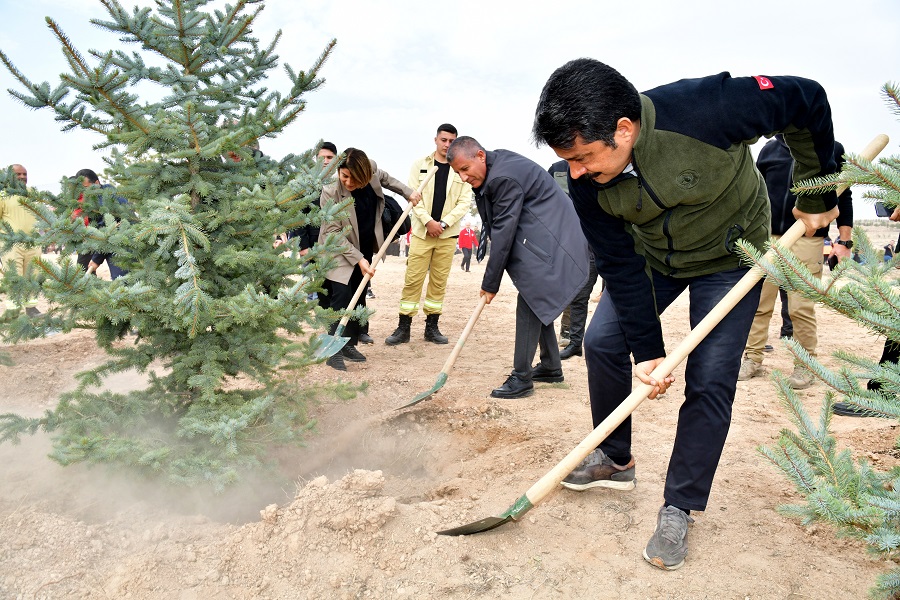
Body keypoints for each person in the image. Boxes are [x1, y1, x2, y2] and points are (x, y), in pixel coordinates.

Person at [532, 59, 839, 571]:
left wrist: (815, 191)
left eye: (583, 157)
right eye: (569, 160)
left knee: (711, 377)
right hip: (655, 259)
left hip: (732, 258)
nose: (576, 172)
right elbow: (619, 264)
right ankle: (615, 458)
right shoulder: (584, 181)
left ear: (623, 130)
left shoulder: (705, 110)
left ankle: (679, 505)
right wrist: (649, 352)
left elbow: (805, 99)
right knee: (603, 342)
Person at [447, 136, 590, 399]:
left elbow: (503, 231)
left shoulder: (503, 177)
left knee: (529, 302)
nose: (463, 177)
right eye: (458, 173)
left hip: (556, 242)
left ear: (480, 155)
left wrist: (490, 283)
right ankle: (551, 366)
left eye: (465, 169)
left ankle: (522, 377)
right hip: (546, 237)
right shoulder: (495, 167)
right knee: (536, 300)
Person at [738, 137, 853, 389]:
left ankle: (805, 364)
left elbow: (844, 196)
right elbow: (754, 192)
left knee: (801, 307)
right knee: (758, 304)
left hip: (807, 239)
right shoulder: (770, 149)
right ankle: (752, 358)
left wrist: (844, 241)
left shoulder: (831, 149)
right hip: (767, 238)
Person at [318, 148, 421, 370]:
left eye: (354, 179)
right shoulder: (330, 191)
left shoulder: (371, 169)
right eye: (344, 176)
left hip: (363, 244)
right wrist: (358, 259)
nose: (348, 182)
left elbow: (387, 179)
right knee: (342, 296)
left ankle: (349, 344)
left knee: (359, 294)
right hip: (338, 248)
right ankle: (333, 351)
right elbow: (332, 232)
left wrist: (408, 193)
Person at [384, 124, 473, 346]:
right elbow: (413, 197)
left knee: (439, 282)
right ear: (436, 140)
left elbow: (464, 203)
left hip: (447, 235)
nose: (447, 144)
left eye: (451, 141)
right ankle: (403, 328)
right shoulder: (420, 165)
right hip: (422, 234)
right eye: (444, 140)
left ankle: (432, 328)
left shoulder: (461, 167)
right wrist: (428, 222)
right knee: (413, 280)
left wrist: (442, 224)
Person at [548, 159, 599, 360]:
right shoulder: (556, 170)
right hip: (569, 243)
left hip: (598, 240)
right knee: (578, 295)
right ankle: (575, 342)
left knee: (619, 294)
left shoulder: (598, 164)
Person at [72, 169, 129, 280]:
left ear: (97, 183)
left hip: (120, 242)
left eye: (86, 187)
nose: (84, 192)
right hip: (109, 243)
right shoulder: (95, 199)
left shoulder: (105, 199)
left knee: (121, 280)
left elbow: (106, 233)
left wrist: (96, 259)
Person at [0, 164, 42, 315]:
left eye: (24, 174)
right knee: (14, 276)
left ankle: (31, 308)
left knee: (33, 275)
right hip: (11, 244)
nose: (22, 177)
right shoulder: (2, 195)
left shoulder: (33, 194)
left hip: (33, 242)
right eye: (18, 174)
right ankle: (14, 311)